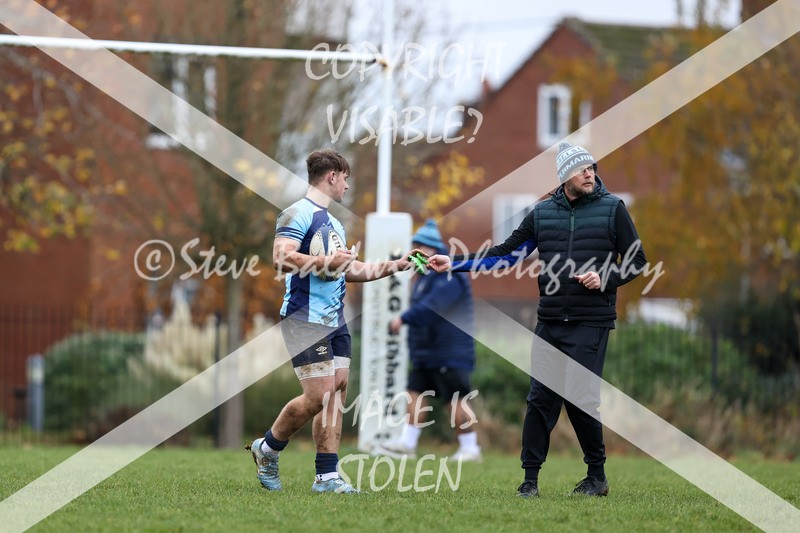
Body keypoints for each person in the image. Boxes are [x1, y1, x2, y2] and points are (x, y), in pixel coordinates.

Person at [428, 141, 647, 498]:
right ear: (565, 177)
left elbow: (637, 261)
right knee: (540, 399)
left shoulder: (613, 210)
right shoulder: (542, 214)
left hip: (591, 320)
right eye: (581, 169)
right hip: (550, 321)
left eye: (591, 166)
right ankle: (530, 481)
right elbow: (504, 255)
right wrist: (454, 262)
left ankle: (597, 476)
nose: (589, 173)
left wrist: (605, 277)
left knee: (579, 397)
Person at [248, 148, 421, 494]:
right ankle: (267, 448)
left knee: (337, 391)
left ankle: (326, 476)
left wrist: (396, 264)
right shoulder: (296, 212)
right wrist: (328, 261)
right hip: (304, 317)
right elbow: (280, 258)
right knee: (317, 396)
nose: (346, 186)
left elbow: (351, 269)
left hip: (335, 320)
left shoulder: (335, 223)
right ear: (332, 176)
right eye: (345, 178)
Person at [373, 219, 481, 462]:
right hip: (427, 351)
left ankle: (470, 448)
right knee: (414, 393)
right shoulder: (424, 276)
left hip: (450, 350)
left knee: (455, 400)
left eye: (419, 248)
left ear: (431, 249)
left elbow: (433, 307)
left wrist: (404, 318)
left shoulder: (449, 275)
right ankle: (406, 444)